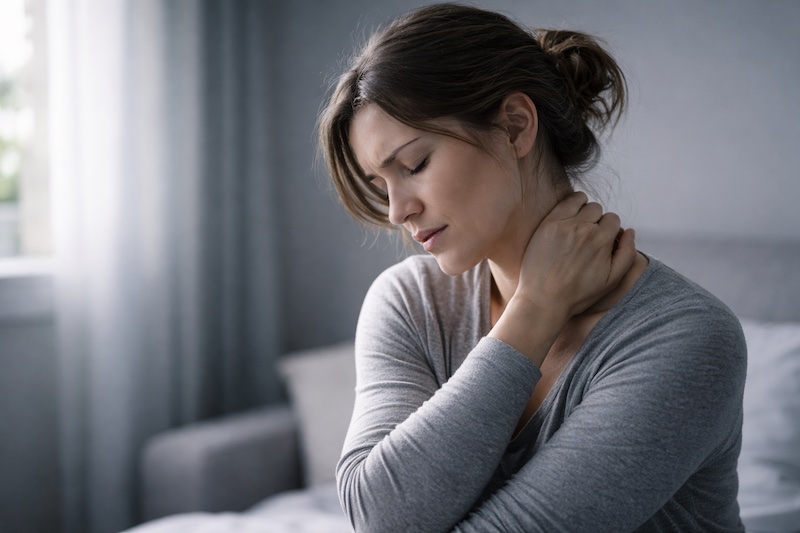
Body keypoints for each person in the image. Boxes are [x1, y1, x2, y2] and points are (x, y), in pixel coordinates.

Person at [317, 3, 747, 532]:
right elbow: (380, 516)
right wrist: (535, 310)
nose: (397, 210)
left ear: (516, 126)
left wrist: (538, 303)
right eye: (382, 183)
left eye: (414, 165)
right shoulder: (411, 302)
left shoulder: (686, 337)